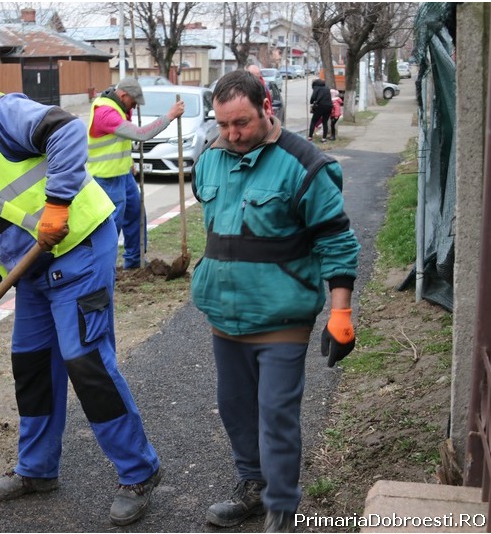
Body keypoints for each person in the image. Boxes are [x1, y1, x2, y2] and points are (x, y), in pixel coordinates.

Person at [0, 87, 162, 526]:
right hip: (34, 271)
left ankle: (139, 471)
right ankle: (37, 471)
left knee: (86, 361)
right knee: (32, 364)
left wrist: (57, 204)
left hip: (77, 248)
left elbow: (67, 130)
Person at [190, 70, 360, 532]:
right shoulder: (210, 159)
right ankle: (253, 486)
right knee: (235, 408)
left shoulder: (304, 164)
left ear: (267, 107)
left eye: (241, 123)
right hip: (225, 315)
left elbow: (337, 243)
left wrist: (341, 312)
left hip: (282, 315)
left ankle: (282, 507)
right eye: (223, 125)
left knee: (276, 413)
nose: (232, 135)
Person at [87, 77, 184, 269]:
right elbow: (140, 134)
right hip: (107, 179)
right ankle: (100, 267)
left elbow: (117, 141)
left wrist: (129, 161)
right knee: (111, 226)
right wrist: (169, 116)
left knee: (136, 214)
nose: (134, 106)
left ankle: (134, 261)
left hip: (123, 174)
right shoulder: (105, 112)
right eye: (133, 102)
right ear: (123, 95)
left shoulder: (118, 107)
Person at [308, 78, 332, 142]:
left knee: (313, 121)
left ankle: (310, 137)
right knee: (325, 122)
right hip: (329, 106)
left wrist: (311, 102)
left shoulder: (316, 87)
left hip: (320, 106)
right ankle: (324, 138)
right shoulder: (327, 88)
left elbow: (313, 97)